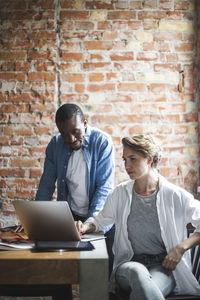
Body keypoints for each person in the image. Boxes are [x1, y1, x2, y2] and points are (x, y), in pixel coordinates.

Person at [76, 134, 200, 300]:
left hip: (163, 267)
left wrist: (180, 248)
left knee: (143, 292)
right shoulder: (119, 194)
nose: (127, 165)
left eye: (133, 159)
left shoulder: (174, 195)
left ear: (149, 159)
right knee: (137, 273)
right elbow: (100, 220)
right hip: (129, 264)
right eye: (125, 159)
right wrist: (84, 227)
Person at [35, 103, 115, 222]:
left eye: (75, 131)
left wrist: (91, 223)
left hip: (99, 216)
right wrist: (34, 218)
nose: (71, 139)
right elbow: (46, 185)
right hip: (70, 216)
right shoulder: (56, 144)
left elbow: (104, 188)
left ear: (85, 123)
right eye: (64, 134)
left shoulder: (102, 142)